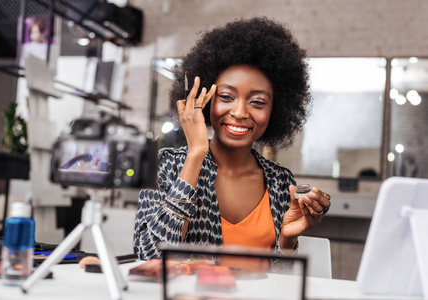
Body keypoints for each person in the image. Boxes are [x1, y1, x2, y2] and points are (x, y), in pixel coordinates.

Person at [134, 17, 331, 260]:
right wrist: (195, 155)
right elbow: (148, 256)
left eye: (257, 102)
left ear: (276, 110)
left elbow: (279, 281)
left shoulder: (281, 182)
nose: (239, 112)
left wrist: (287, 240)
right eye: (226, 97)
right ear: (204, 101)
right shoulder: (166, 166)